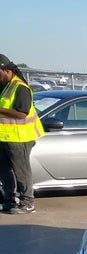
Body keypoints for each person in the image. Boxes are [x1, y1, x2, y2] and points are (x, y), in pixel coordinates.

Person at [0, 54, 44, 214]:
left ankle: (27, 202)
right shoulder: (3, 86)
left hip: (20, 137)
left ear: (6, 70)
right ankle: (9, 200)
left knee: (21, 170)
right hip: (4, 137)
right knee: (4, 170)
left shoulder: (20, 88)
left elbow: (21, 113)